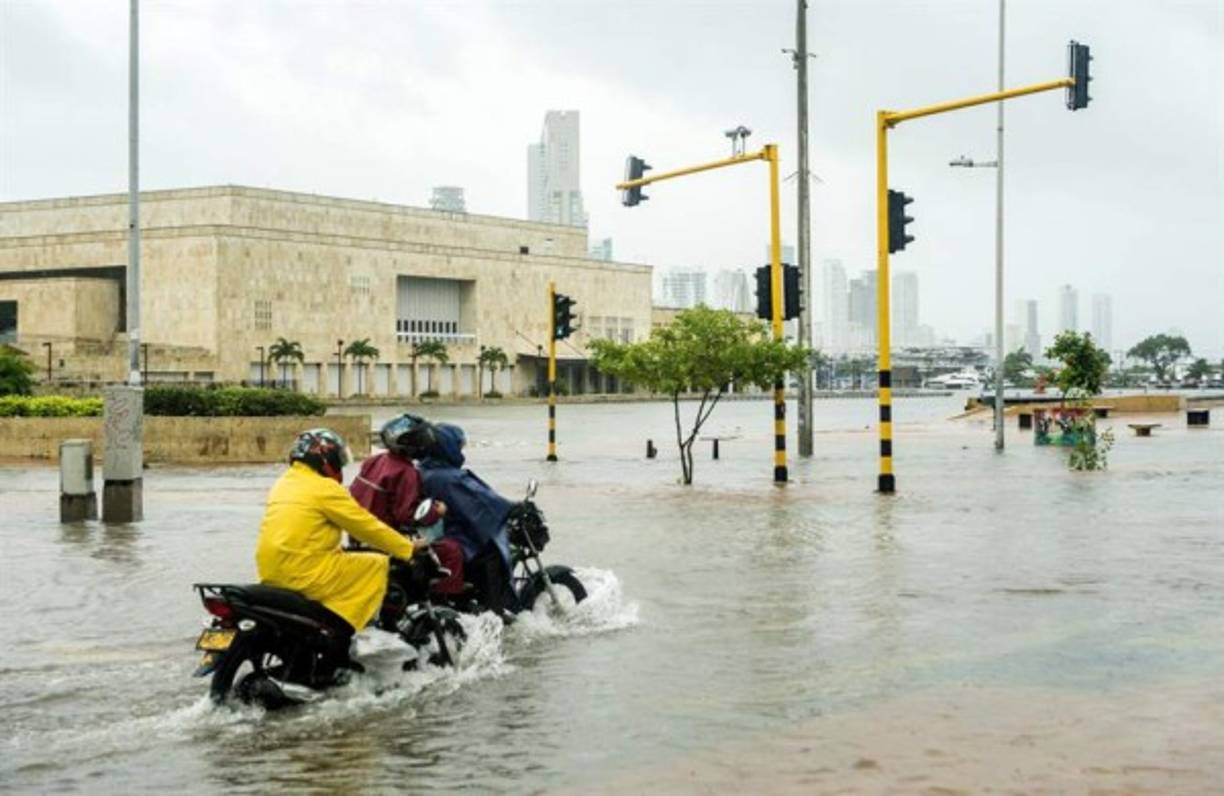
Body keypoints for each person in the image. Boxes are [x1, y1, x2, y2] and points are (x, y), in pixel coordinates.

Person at [255, 428, 429, 666]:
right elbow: (365, 526)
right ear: (325, 459)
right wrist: (408, 549)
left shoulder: (283, 483)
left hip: (272, 571)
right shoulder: (324, 489)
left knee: (346, 564)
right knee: (375, 564)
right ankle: (345, 634)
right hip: (305, 572)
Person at [349, 413, 465, 596]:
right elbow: (407, 515)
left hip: (359, 537)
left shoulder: (374, 461)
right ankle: (447, 601)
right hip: (388, 540)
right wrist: (437, 511)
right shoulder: (407, 472)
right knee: (452, 550)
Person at [418, 423, 519, 616]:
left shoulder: (424, 470)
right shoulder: (451, 478)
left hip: (440, 531)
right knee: (491, 554)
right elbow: (484, 503)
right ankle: (494, 611)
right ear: (448, 448)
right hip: (455, 535)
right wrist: (512, 507)